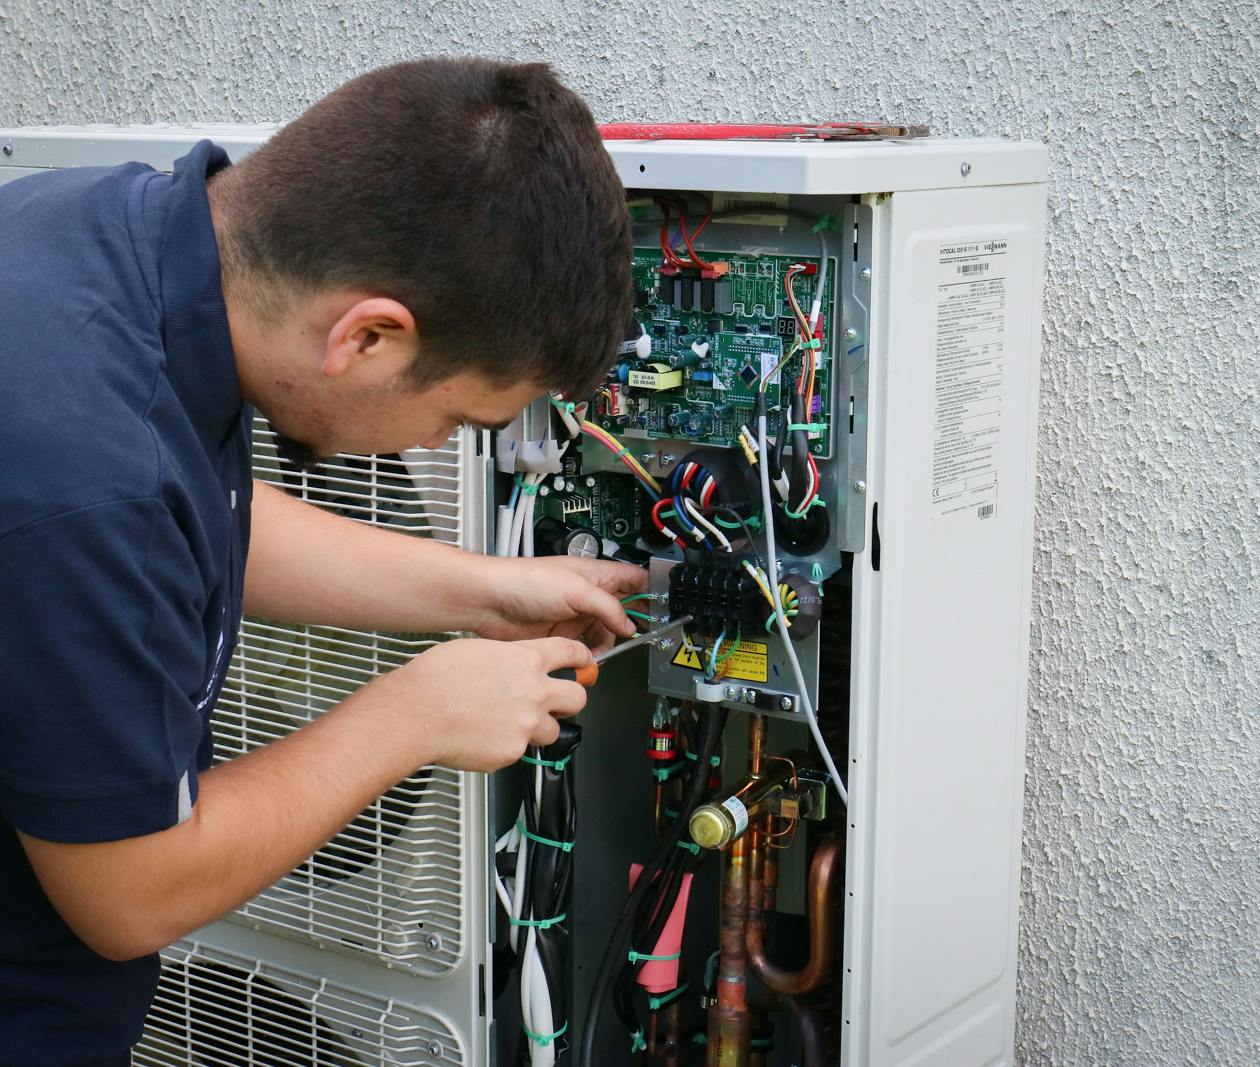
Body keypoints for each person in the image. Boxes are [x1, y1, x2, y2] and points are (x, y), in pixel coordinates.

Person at [0, 57, 642, 1065]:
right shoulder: (82, 471)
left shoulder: (98, 232)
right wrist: (415, 714)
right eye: (452, 416)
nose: (433, 447)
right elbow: (130, 894)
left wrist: (478, 590)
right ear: (371, 335)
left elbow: (191, 512)